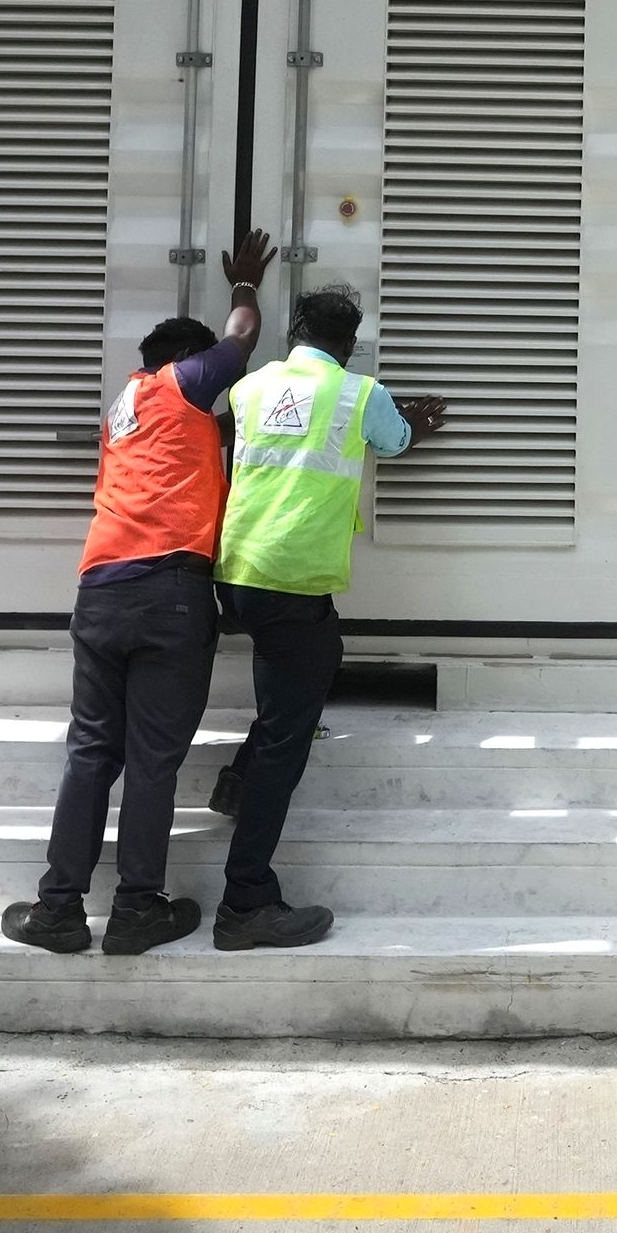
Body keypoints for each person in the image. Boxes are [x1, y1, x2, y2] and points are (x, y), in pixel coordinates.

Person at [2, 224, 275, 959]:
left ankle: (58, 908)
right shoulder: (182, 383)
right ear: (185, 363)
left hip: (100, 589)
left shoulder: (126, 413)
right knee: (152, 758)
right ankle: (136, 908)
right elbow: (242, 335)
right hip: (168, 593)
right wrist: (244, 284)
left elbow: (217, 436)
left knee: (92, 750)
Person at [200, 283, 446, 952]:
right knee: (290, 731)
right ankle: (245, 903)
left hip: (239, 573)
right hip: (295, 578)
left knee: (308, 675)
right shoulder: (361, 394)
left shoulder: (250, 389)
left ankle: (239, 776)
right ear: (351, 343)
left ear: (295, 334)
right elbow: (393, 441)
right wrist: (419, 427)